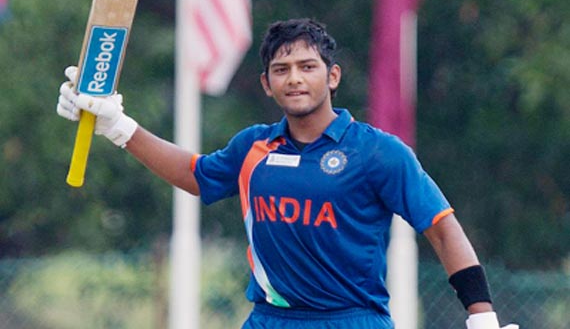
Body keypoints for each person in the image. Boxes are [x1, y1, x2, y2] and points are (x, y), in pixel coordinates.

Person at [57, 18, 517, 329]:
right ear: (267, 83)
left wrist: (481, 316)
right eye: (281, 69)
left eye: (307, 67)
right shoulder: (253, 147)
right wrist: (118, 126)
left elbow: (441, 228)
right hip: (270, 319)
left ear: (332, 77)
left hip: (352, 319)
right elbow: (196, 174)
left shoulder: (378, 152)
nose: (294, 78)